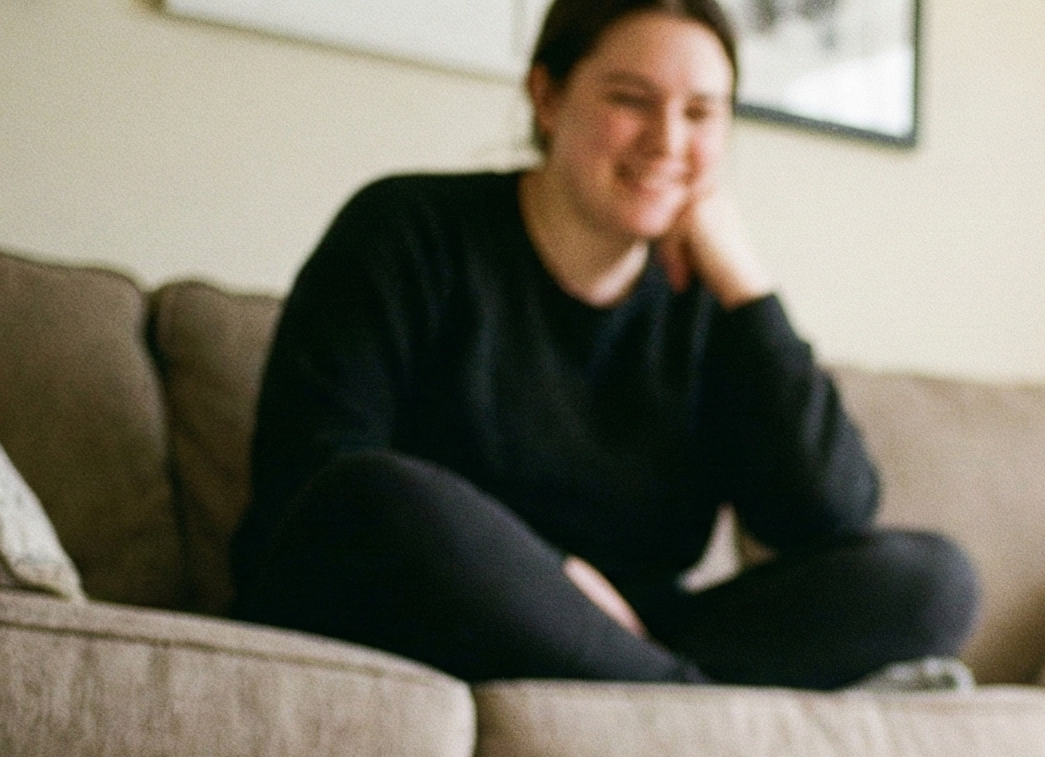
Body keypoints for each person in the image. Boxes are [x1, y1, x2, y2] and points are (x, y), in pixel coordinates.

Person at [232, 0, 978, 689]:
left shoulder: (711, 304)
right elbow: (311, 481)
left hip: (632, 629)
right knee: (377, 492)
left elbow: (829, 518)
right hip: (420, 599)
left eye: (701, 114)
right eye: (631, 100)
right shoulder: (407, 226)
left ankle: (649, 690)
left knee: (934, 579)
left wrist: (748, 288)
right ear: (547, 97)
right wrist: (551, 576)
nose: (668, 142)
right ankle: (681, 704)